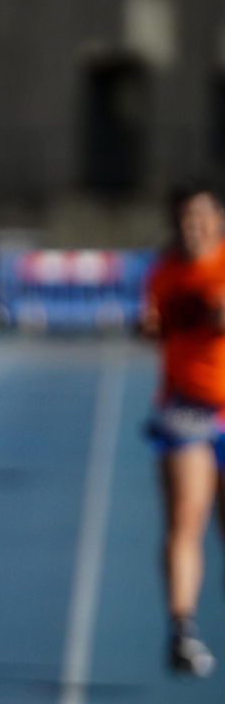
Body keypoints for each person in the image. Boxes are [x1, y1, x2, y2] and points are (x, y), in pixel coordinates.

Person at [140, 186, 225, 676]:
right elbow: (154, 322)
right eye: (183, 217)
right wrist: (149, 327)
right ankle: (182, 630)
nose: (190, 225)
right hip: (185, 407)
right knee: (186, 518)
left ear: (217, 219)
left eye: (200, 216)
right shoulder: (165, 272)